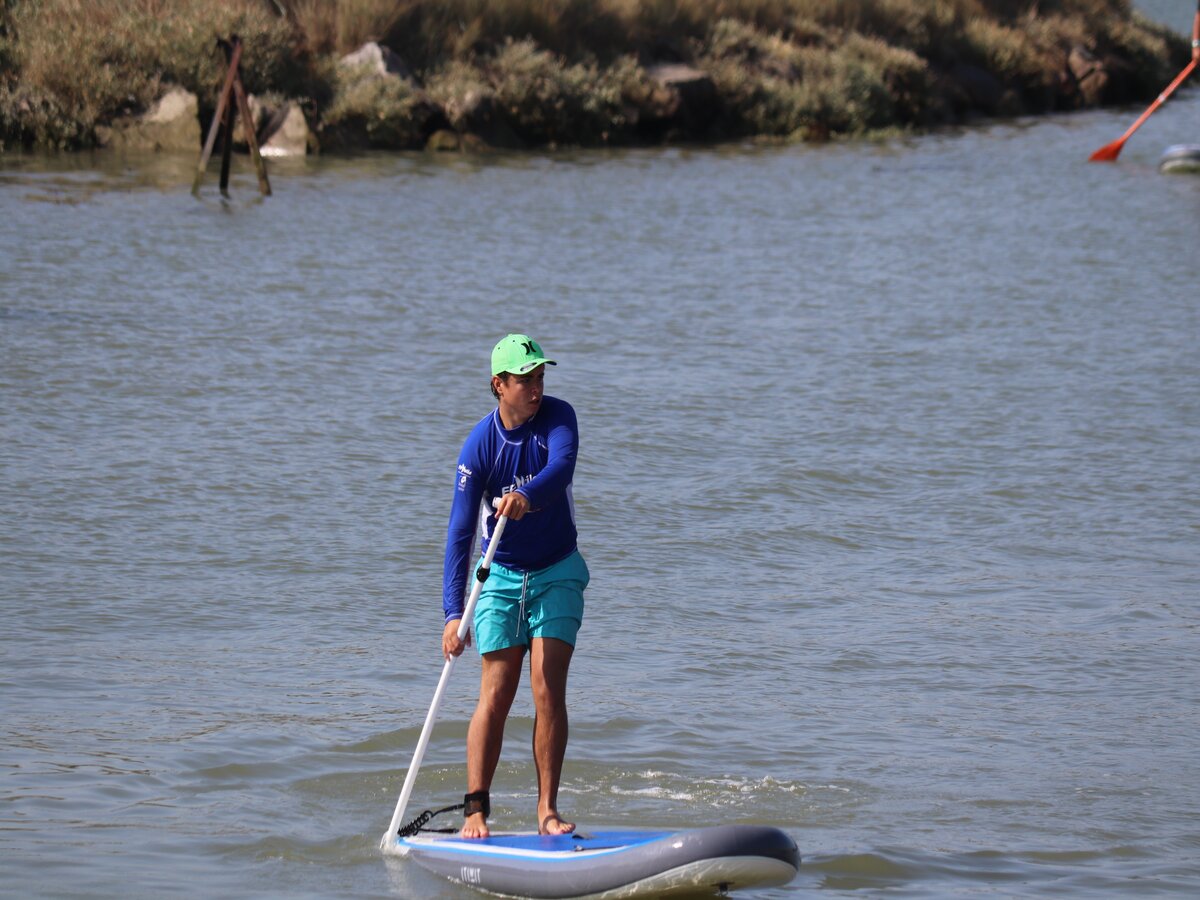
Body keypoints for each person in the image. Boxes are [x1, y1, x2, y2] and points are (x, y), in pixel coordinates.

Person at [441, 333, 589, 839]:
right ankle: (476, 809)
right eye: (524, 379)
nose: (536, 387)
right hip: (499, 576)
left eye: (540, 376)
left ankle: (547, 810)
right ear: (498, 385)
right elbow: (461, 533)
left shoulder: (560, 417)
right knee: (496, 693)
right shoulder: (478, 447)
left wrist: (526, 495)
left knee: (548, 685)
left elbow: (560, 467)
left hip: (557, 569)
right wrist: (451, 613)